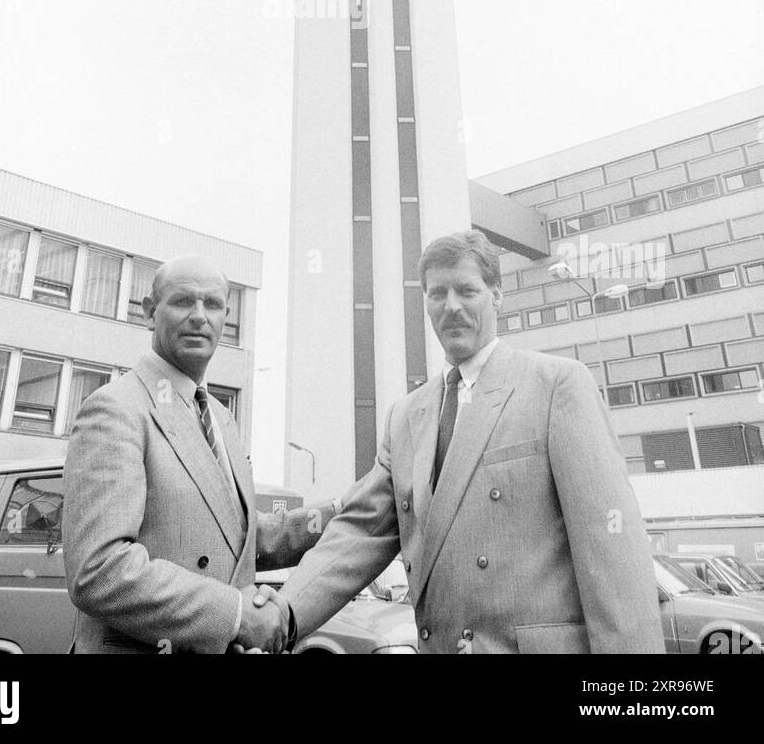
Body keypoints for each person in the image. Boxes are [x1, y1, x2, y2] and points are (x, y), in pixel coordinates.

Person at [276, 229, 665, 654]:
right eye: (437, 293)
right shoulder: (404, 417)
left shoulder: (556, 386)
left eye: (467, 290)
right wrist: (280, 613)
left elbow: (612, 553)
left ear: (496, 295)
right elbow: (358, 531)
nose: (452, 306)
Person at [63, 254, 335, 654]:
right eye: (182, 301)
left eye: (212, 304)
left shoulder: (222, 419)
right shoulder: (115, 409)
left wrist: (338, 512)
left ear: (227, 316)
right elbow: (100, 571)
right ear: (149, 312)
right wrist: (235, 616)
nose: (198, 316)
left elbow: (238, 538)